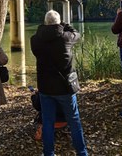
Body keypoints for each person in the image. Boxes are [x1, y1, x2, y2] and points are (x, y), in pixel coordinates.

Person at [31, 10, 88, 156]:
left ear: (45, 23)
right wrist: (64, 24)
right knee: (74, 121)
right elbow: (77, 33)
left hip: (45, 89)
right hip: (65, 88)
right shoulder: (66, 38)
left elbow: (41, 35)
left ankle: (48, 153)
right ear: (59, 23)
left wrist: (47, 26)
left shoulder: (35, 40)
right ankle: (82, 152)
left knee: (48, 122)